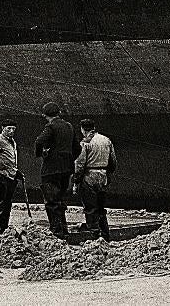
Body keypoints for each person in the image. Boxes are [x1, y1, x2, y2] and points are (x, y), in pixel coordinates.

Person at [33, 102, 81, 238]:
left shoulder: (51, 126)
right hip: (66, 169)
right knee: (60, 200)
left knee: (51, 201)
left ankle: (56, 231)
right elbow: (78, 148)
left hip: (51, 169)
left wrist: (41, 154)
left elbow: (39, 141)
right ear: (59, 113)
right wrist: (69, 158)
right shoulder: (69, 126)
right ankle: (64, 230)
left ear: (44, 115)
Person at [72, 118, 117, 241]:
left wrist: (76, 181)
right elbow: (113, 161)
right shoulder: (106, 140)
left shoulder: (85, 143)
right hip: (103, 176)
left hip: (89, 176)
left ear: (82, 129)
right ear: (94, 128)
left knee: (90, 208)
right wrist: (107, 173)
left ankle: (94, 235)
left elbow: (80, 164)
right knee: (101, 208)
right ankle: (105, 235)